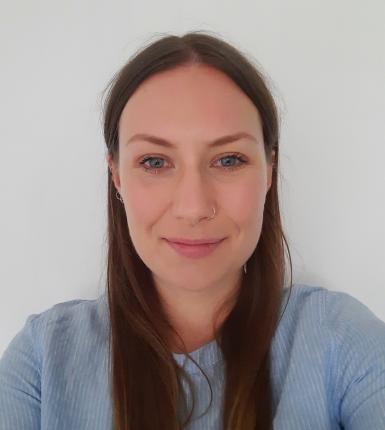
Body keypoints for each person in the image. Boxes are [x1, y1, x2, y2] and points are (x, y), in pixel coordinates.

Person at [0, 31, 384, 430]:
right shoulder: (42, 361)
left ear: (270, 170)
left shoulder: (342, 340)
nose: (194, 207)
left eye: (229, 159)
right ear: (116, 176)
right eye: (154, 162)